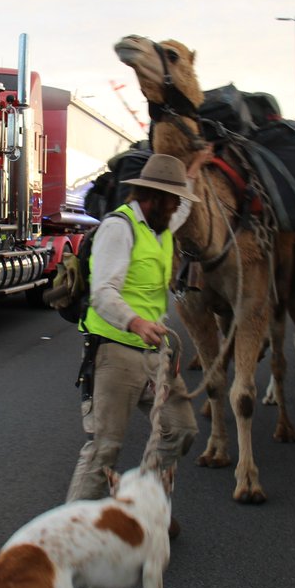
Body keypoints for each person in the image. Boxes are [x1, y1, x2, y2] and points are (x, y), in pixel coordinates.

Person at [65, 149, 211, 538]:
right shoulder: (120, 228)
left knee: (180, 430)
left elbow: (182, 211)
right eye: (175, 198)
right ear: (154, 198)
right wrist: (134, 322)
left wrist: (194, 169)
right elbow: (102, 292)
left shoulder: (161, 225)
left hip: (155, 353)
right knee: (104, 449)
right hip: (115, 351)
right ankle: (69, 535)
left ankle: (141, 508)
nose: (181, 206)